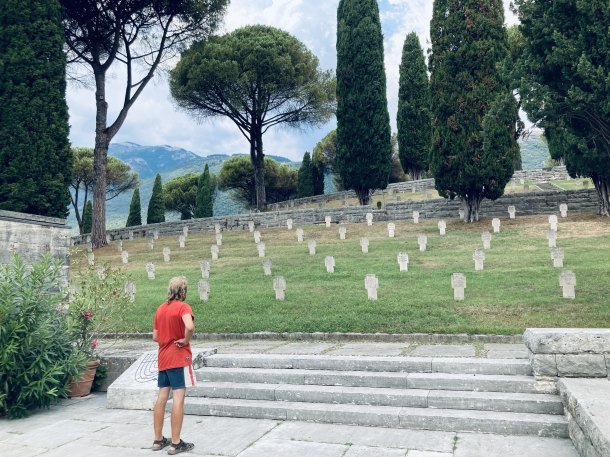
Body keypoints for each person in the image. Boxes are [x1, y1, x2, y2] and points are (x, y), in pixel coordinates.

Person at [152, 276, 196, 455]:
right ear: (184, 291)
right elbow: (190, 326)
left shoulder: (161, 309)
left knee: (162, 397)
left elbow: (155, 336)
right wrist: (185, 340)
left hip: (163, 357)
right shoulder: (183, 307)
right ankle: (176, 443)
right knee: (178, 397)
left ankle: (158, 440)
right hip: (178, 357)